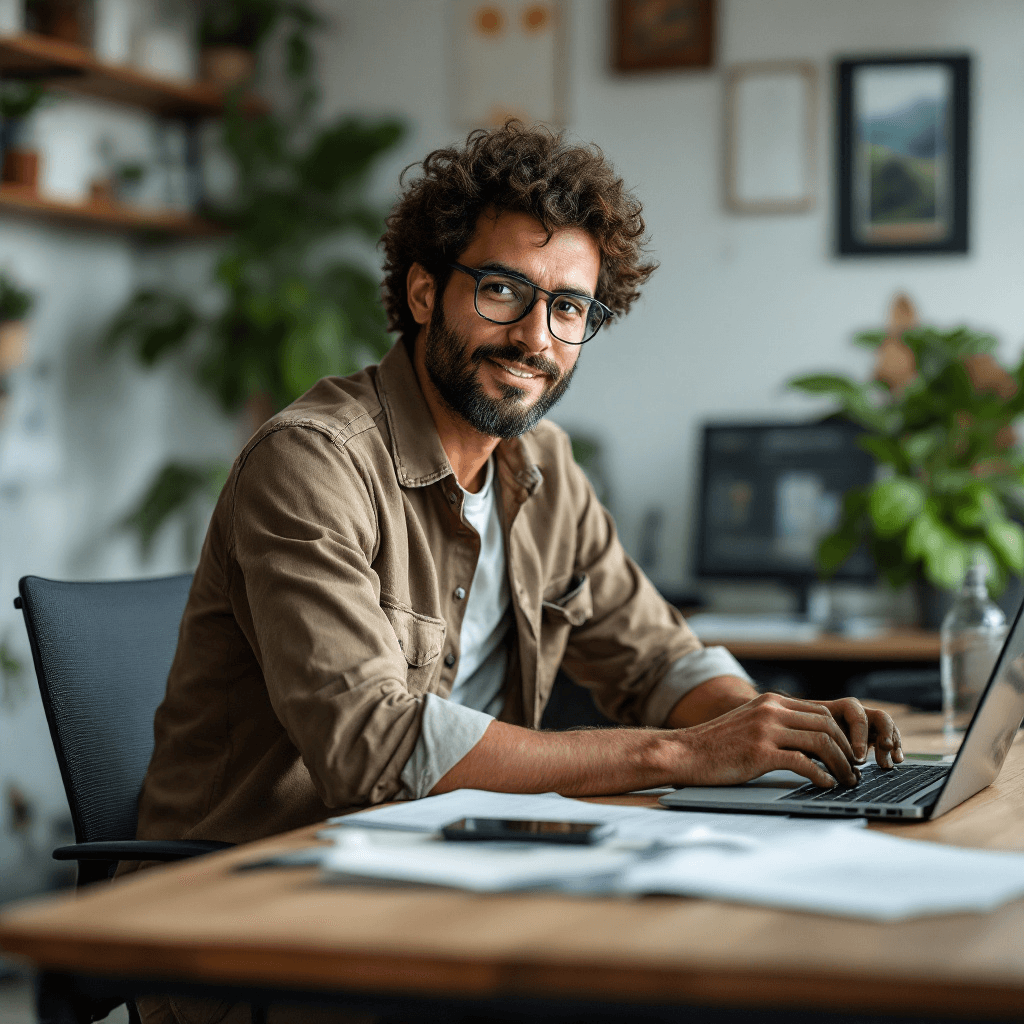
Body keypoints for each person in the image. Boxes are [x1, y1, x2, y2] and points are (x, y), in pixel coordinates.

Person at [134, 120, 902, 859]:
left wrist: (779, 728)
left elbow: (655, 659)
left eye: (568, 307)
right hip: (261, 906)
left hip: (451, 866)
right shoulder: (312, 462)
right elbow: (369, 745)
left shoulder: (542, 465)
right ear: (426, 292)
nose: (537, 337)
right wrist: (679, 753)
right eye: (504, 290)